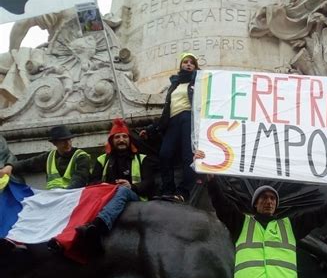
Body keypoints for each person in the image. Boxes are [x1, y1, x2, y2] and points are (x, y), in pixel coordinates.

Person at [74, 118, 155, 256]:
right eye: (117, 137)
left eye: (124, 136)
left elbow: (150, 182)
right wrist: (104, 186)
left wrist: (132, 186)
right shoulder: (101, 160)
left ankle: (99, 226)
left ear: (129, 139)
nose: (121, 140)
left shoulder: (142, 158)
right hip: (106, 196)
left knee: (122, 190)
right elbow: (92, 182)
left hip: (134, 196)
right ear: (112, 140)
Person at [140, 52, 199, 203]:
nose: (188, 64)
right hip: (173, 121)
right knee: (164, 155)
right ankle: (168, 189)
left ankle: (183, 191)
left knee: (188, 157)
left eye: (192, 62)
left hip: (188, 118)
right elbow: (166, 112)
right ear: (180, 65)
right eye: (185, 62)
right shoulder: (174, 85)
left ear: (195, 67)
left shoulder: (198, 83)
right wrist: (150, 129)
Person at [0, 125, 90, 189]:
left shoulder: (81, 157)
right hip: (54, 199)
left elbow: (79, 179)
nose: (68, 144)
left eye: (69, 140)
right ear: (54, 143)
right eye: (63, 141)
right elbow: (27, 164)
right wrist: (9, 167)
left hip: (73, 197)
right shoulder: (49, 157)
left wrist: (64, 194)